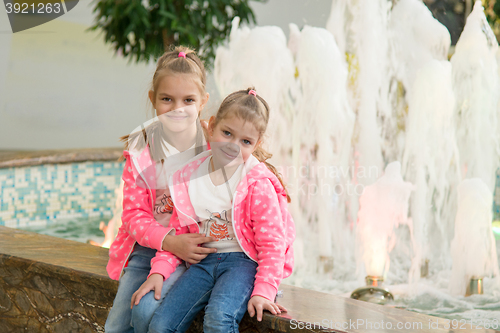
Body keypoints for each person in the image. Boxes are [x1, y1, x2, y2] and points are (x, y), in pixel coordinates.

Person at [131, 88, 296, 333]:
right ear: (212, 126)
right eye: (227, 133)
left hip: (242, 264)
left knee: (218, 318)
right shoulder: (189, 176)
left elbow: (272, 244)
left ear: (256, 144)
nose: (233, 146)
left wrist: (264, 291)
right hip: (202, 262)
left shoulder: (256, 183)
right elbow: (178, 232)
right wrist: (159, 272)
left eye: (245, 141)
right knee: (161, 324)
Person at [105, 46, 217, 333]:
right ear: (153, 99)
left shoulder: (213, 147)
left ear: (203, 102)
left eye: (188, 100)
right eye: (167, 99)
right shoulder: (142, 149)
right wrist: (168, 242)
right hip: (146, 248)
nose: (178, 109)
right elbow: (132, 216)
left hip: (191, 250)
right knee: (116, 326)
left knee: (145, 314)